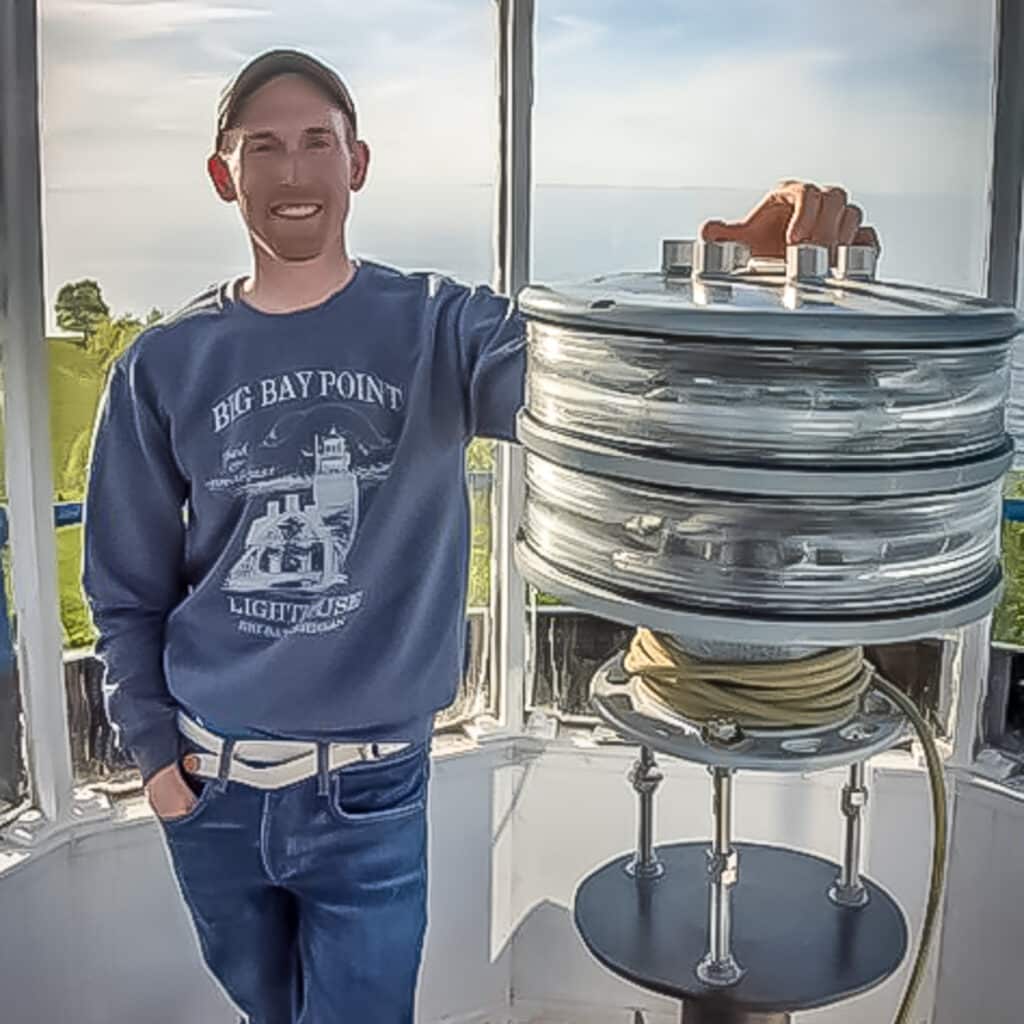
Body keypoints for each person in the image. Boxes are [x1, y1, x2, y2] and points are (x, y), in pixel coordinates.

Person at [81, 48, 880, 1024]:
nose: (293, 172)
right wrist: (161, 763)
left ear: (357, 164)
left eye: (316, 143)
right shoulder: (162, 364)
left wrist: (744, 283)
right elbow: (125, 587)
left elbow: (604, 384)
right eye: (264, 147)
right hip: (209, 791)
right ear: (224, 174)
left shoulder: (437, 329)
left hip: (367, 797)